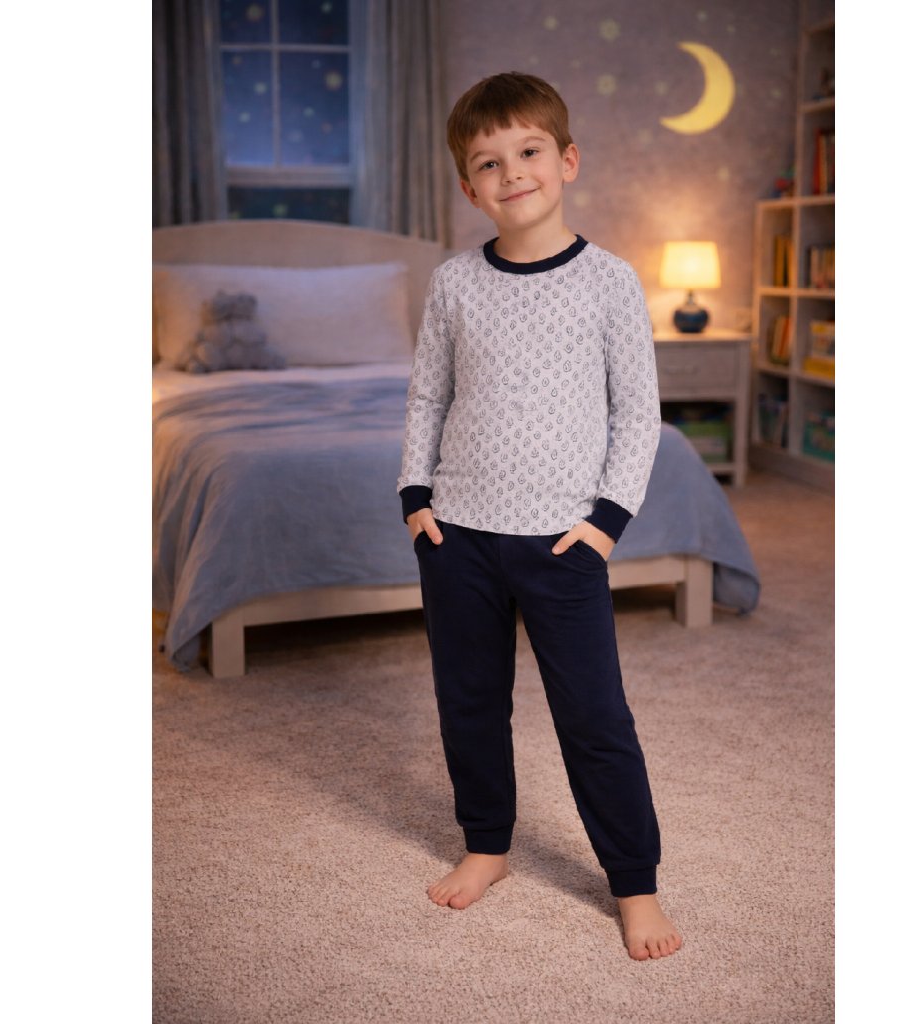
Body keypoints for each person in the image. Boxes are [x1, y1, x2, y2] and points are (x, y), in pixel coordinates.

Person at [396, 72, 682, 961]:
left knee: (595, 719)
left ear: (567, 161)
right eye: (488, 162)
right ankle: (487, 846)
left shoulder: (610, 281)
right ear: (468, 186)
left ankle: (634, 884)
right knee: (469, 705)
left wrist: (604, 525)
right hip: (458, 537)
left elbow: (638, 412)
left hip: (564, 543)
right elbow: (428, 396)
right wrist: (416, 499)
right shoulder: (454, 282)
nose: (511, 172)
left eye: (528, 152)